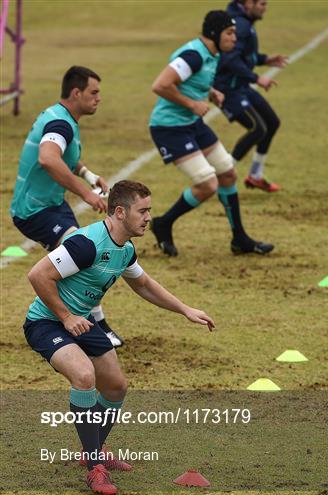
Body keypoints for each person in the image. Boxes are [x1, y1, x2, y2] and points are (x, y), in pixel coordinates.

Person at [24, 180, 215, 495]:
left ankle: (93, 449)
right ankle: (94, 467)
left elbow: (143, 284)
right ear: (120, 212)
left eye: (149, 210)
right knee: (84, 375)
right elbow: (38, 275)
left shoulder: (124, 250)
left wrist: (185, 309)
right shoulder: (87, 244)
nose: (148, 217)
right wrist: (67, 317)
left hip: (80, 322)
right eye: (143, 211)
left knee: (115, 386)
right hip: (47, 322)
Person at [9, 66, 124, 348]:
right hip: (34, 211)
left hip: (53, 205)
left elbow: (66, 156)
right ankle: (86, 323)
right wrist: (86, 193)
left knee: (84, 253)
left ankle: (89, 321)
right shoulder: (60, 124)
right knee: (83, 255)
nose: (99, 98)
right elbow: (49, 158)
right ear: (76, 93)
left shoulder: (62, 118)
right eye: (93, 93)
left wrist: (88, 175)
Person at [149, 10, 274, 257]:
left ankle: (240, 239)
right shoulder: (193, 55)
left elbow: (193, 81)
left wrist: (210, 92)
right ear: (215, 34)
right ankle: (163, 223)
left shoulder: (212, 53)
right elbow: (161, 85)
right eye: (229, 33)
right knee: (208, 184)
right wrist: (192, 104)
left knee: (227, 173)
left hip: (192, 124)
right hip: (170, 128)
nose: (234, 39)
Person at [214, 0, 288, 193]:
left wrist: (264, 59)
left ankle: (255, 175)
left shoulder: (244, 22)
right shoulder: (241, 25)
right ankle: (220, 175)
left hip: (241, 86)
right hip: (228, 90)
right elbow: (230, 59)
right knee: (257, 128)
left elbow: (244, 54)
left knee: (272, 122)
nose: (265, 7)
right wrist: (256, 77)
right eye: (261, 3)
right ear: (248, 3)